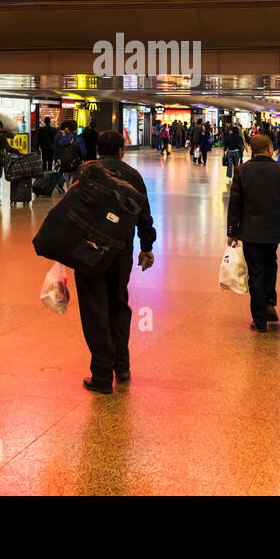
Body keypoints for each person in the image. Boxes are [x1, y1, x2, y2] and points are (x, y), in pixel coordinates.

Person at [74, 131, 156, 394]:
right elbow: (144, 215)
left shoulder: (86, 172)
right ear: (121, 150)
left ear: (98, 149)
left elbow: (71, 211)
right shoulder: (133, 176)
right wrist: (146, 247)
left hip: (88, 252)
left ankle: (101, 375)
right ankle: (121, 366)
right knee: (118, 304)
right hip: (120, 251)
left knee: (94, 309)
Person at [227, 134, 280, 332]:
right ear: (270, 149)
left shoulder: (241, 171)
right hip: (274, 230)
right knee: (271, 265)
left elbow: (234, 205)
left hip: (250, 231)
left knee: (255, 273)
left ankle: (260, 319)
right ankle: (269, 304)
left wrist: (231, 231)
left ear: (251, 150)